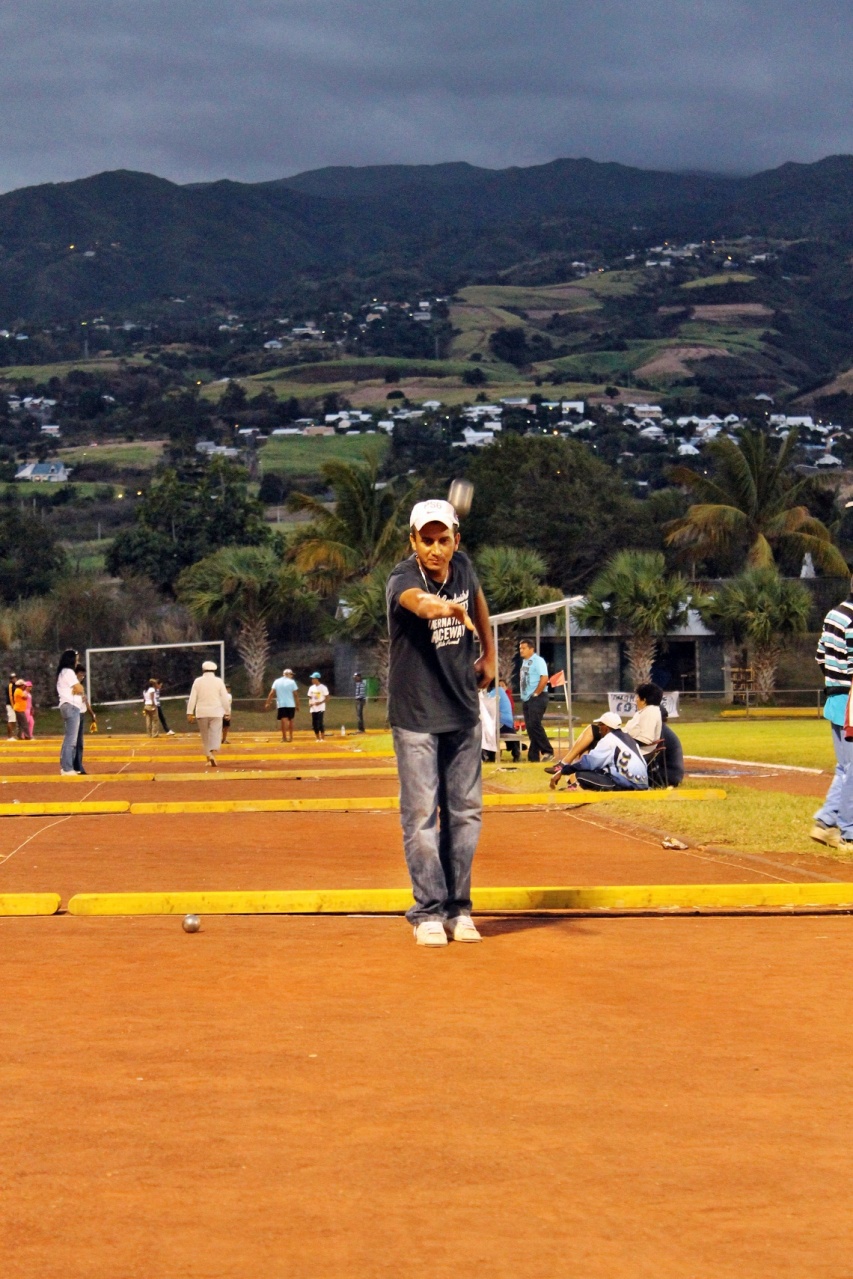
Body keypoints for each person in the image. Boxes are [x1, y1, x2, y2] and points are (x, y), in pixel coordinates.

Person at [386, 498, 495, 947]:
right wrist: (446, 609)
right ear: (413, 541)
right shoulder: (402, 578)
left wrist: (490, 653)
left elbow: (481, 603)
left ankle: (458, 908)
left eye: (443, 540)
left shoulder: (464, 567)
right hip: (415, 717)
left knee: (465, 814)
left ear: (456, 541)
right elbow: (418, 603)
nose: (435, 549)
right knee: (420, 816)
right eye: (426, 540)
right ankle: (427, 911)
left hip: (462, 711)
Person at [813, 581, 853, 849]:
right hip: (851, 701)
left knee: (845, 767)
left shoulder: (834, 614)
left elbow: (819, 656)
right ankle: (849, 832)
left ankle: (826, 821)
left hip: (836, 699)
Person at [549, 711, 648, 791]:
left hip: (627, 784)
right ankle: (575, 788)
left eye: (600, 725)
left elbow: (588, 763)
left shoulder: (608, 740)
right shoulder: (627, 738)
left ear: (606, 727)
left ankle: (575, 789)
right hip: (642, 783)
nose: (599, 728)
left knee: (579, 775)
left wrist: (562, 771)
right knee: (596, 771)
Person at [186, 659, 231, 767]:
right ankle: (212, 752)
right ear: (214, 670)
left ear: (203, 670)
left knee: (205, 736)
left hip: (201, 712)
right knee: (215, 733)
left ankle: (209, 756)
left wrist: (189, 712)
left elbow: (193, 698)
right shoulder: (219, 681)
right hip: (216, 712)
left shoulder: (198, 681)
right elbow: (224, 697)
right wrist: (227, 711)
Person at [518, 639, 553, 763]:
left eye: (523, 648)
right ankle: (533, 757)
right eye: (520, 648)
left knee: (534, 724)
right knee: (530, 727)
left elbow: (544, 677)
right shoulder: (525, 662)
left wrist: (536, 692)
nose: (521, 650)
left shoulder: (538, 661)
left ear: (531, 649)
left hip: (537, 697)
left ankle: (548, 751)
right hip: (527, 698)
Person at [56, 649, 85, 776]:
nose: (77, 661)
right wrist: (78, 689)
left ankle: (65, 766)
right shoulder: (68, 672)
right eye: (76, 659)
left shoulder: (63, 672)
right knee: (71, 740)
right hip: (71, 706)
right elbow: (80, 688)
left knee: (68, 738)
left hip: (67, 705)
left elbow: (78, 689)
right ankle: (67, 768)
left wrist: (77, 690)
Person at [622, 682, 664, 757]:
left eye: (637, 697)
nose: (635, 700)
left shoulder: (651, 712)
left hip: (638, 752)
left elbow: (645, 740)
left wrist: (620, 740)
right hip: (632, 748)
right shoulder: (644, 712)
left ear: (644, 700)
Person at [72, 663, 96, 774]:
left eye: (83, 675)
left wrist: (92, 714)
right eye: (81, 674)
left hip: (81, 714)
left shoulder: (81, 687)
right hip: (75, 715)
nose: (82, 677)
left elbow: (85, 701)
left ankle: (78, 766)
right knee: (74, 742)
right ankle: (75, 766)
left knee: (79, 743)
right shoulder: (72, 686)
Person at [265, 668, 299, 742]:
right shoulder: (292, 682)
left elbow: (271, 693)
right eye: (291, 674)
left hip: (281, 704)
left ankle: (284, 738)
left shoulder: (277, 681)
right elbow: (295, 694)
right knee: (290, 721)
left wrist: (268, 702)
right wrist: (297, 705)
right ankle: (291, 737)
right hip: (291, 704)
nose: (292, 676)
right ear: (288, 674)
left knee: (283, 721)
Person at [307, 672, 329, 740]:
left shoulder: (323, 687)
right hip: (313, 708)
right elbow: (310, 697)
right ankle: (317, 738)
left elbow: (327, 698)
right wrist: (310, 702)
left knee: (320, 723)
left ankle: (322, 738)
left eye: (313, 678)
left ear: (317, 679)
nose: (312, 680)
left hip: (320, 708)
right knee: (314, 724)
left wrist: (320, 702)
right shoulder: (311, 688)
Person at [5, 671, 17, 740]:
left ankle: (12, 735)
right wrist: (13, 705)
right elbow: (10, 696)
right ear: (10, 679)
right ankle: (10, 736)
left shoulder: (14, 686)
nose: (15, 679)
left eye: (15, 678)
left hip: (13, 705)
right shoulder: (10, 686)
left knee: (13, 720)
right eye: (13, 678)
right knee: (11, 720)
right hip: (10, 705)